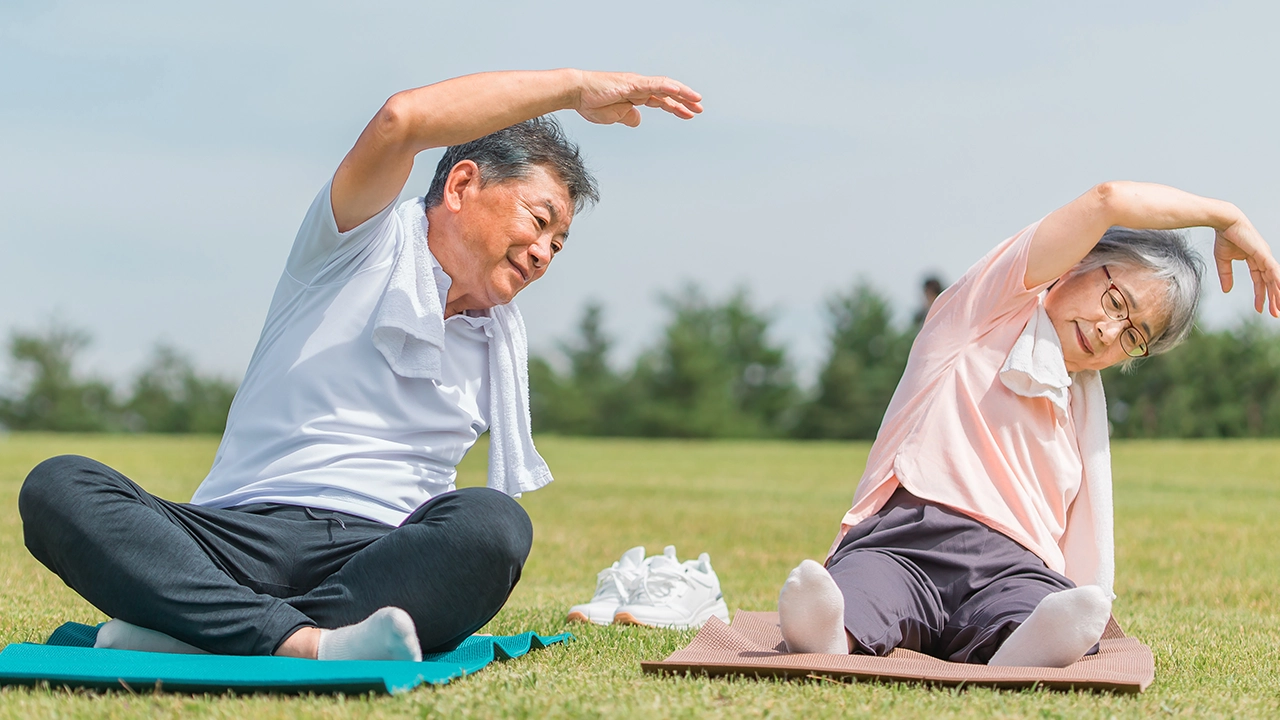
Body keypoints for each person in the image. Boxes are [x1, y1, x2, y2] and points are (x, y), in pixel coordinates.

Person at [18, 69, 703, 661]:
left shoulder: (497, 341)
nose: (544, 253)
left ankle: (197, 626)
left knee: (495, 527)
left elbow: (467, 538)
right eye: (539, 219)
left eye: (560, 243)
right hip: (231, 537)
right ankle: (302, 642)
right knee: (59, 488)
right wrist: (576, 89)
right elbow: (402, 119)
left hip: (374, 562)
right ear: (462, 184)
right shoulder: (354, 243)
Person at [777, 181, 1280, 667]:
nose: (1108, 332)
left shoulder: (1077, 402)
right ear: (1079, 262)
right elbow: (1107, 200)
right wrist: (1226, 215)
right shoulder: (987, 311)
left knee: (1040, 611)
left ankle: (1024, 648)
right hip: (908, 539)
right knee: (865, 589)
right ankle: (828, 628)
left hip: (1013, 567)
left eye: (1133, 336)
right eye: (1115, 301)